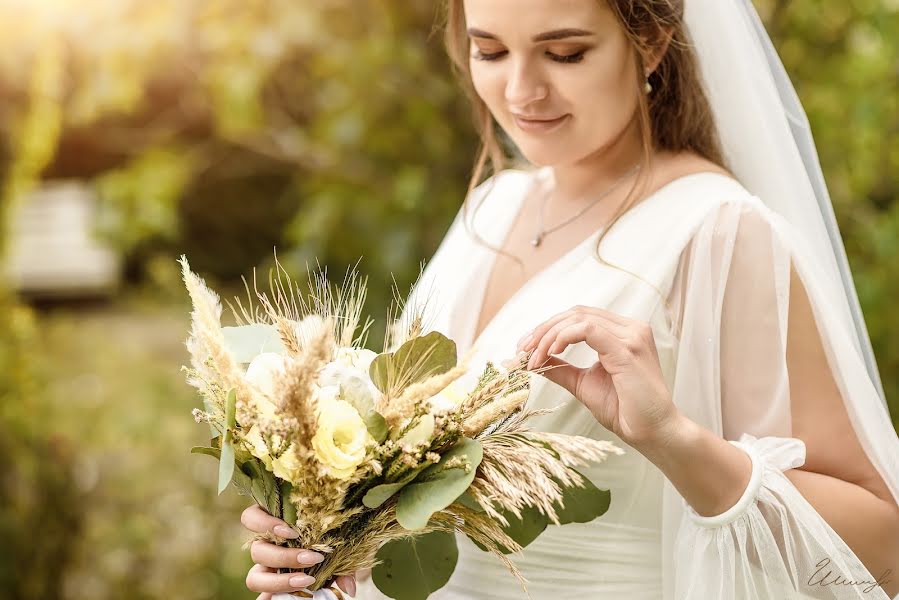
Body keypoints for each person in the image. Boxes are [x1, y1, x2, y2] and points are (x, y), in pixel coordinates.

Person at [242, 0, 899, 598]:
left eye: (564, 53)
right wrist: (326, 536)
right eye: (490, 50)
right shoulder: (493, 209)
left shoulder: (720, 231)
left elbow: (880, 543)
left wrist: (674, 440)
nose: (522, 90)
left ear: (650, 42)